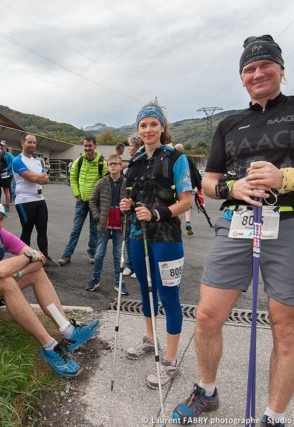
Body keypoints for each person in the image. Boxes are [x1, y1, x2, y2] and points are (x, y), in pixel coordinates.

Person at [172, 35, 294, 427]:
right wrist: (229, 188)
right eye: (249, 68)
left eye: (265, 65)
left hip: (291, 222)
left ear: (281, 69)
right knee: (206, 316)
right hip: (236, 222)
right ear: (242, 78)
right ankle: (207, 390)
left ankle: (273, 415)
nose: (257, 73)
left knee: (285, 328)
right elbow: (209, 180)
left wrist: (286, 177)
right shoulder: (230, 124)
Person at [0, 200, 100, 377]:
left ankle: (68, 331)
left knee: (35, 273)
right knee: (6, 279)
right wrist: (25, 257)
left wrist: (18, 273)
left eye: (0, 219)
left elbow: (40, 259)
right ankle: (50, 347)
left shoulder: (1, 235)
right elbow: (1, 269)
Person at [119, 103, 192, 389]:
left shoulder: (176, 158)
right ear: (138, 130)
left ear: (162, 126)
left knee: (168, 297)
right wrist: (126, 205)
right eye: (143, 125)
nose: (148, 130)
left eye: (153, 124)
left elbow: (186, 201)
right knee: (145, 290)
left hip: (166, 237)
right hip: (139, 235)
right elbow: (132, 197)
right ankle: (150, 339)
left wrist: (158, 214)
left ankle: (170, 360)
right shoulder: (135, 161)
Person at [58, 136, 107, 266]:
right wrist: (77, 194)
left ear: (95, 146)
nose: (87, 148)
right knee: (76, 229)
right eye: (85, 146)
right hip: (81, 201)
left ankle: (92, 252)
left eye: (90, 145)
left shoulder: (102, 163)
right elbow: (72, 177)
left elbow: (105, 183)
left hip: (95, 203)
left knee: (93, 229)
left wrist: (100, 199)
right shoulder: (79, 161)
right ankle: (66, 254)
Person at [12, 133, 58, 268]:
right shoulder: (17, 160)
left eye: (34, 143)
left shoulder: (38, 161)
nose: (32, 145)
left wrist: (36, 177)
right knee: (27, 230)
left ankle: (44, 258)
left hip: (39, 199)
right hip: (24, 200)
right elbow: (31, 178)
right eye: (29, 142)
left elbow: (46, 180)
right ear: (22, 143)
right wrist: (38, 177)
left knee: (42, 229)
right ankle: (22, 260)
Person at [87, 154, 128, 294]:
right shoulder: (102, 182)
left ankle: (119, 282)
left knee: (118, 255)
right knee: (99, 254)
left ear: (121, 166)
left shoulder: (127, 183)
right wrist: (97, 217)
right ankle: (95, 279)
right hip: (104, 223)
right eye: (111, 164)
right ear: (107, 166)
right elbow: (92, 201)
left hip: (120, 224)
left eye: (116, 163)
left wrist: (128, 216)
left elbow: (133, 202)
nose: (113, 166)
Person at [120, 135, 143, 278]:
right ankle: (130, 265)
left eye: (131, 146)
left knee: (139, 237)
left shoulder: (142, 163)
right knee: (128, 236)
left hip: (139, 206)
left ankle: (138, 266)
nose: (129, 148)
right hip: (129, 205)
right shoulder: (131, 164)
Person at [174, 143, 203, 236]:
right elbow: (195, 173)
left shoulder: (173, 160)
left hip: (176, 186)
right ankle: (188, 221)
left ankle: (178, 227)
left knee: (178, 205)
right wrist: (199, 186)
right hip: (188, 185)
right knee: (187, 204)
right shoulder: (188, 159)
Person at [0, 140, 14, 210]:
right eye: (0, 145)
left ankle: (7, 205)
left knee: (6, 190)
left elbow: (13, 162)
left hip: (6, 175)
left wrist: (7, 168)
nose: (1, 147)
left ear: (6, 146)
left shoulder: (9, 155)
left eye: (3, 146)